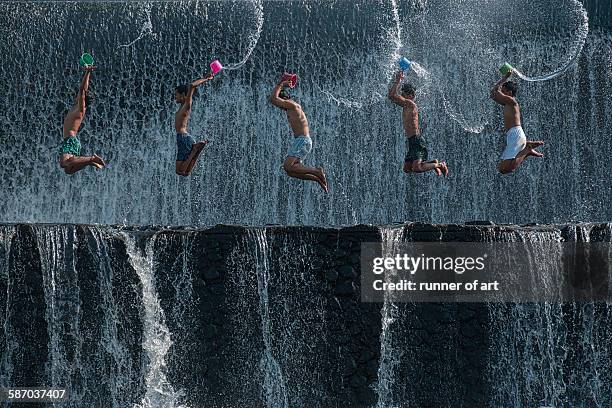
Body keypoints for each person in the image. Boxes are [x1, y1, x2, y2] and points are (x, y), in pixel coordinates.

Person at [268, 75, 328, 192]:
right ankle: (316, 178)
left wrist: (281, 85)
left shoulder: (292, 105)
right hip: (301, 141)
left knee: (287, 166)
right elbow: (274, 99)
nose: (280, 108)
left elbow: (273, 99)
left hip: (303, 140)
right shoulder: (292, 107)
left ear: (284, 100)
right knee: (291, 172)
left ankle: (317, 171)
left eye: (281, 104)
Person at [388, 71, 448, 176]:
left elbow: (392, 96)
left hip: (416, 140)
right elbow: (392, 97)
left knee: (417, 168)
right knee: (407, 169)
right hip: (411, 141)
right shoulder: (406, 105)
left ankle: (440, 165)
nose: (401, 96)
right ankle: (433, 163)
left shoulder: (410, 104)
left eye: (403, 94)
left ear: (410, 95)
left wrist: (397, 81)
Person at [490, 69, 544, 174]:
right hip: (513, 136)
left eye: (503, 90)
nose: (501, 92)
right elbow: (493, 94)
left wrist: (505, 77)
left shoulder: (512, 101)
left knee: (505, 169)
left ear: (509, 93)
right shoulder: (507, 103)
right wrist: (503, 81)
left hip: (516, 135)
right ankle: (526, 146)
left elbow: (495, 91)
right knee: (502, 168)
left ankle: (526, 150)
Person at [59, 66, 106, 174]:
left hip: (70, 139)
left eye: (80, 98)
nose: (77, 97)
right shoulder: (77, 108)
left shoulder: (80, 109)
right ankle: (89, 162)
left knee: (64, 163)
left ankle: (91, 159)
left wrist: (88, 72)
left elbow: (82, 90)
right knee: (68, 170)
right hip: (72, 140)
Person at [174, 72, 214, 176]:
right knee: (186, 173)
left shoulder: (187, 105)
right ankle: (197, 149)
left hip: (183, 138)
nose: (175, 97)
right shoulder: (182, 106)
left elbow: (192, 86)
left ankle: (195, 149)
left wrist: (206, 78)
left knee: (180, 171)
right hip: (184, 138)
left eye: (176, 94)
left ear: (183, 95)